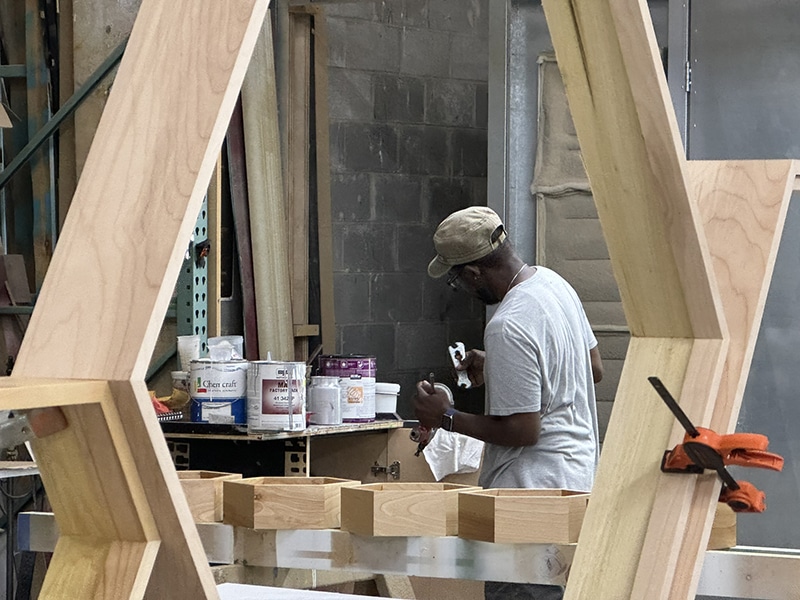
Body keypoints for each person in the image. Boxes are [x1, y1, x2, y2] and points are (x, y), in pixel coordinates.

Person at [413, 206, 603, 600]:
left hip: (529, 503)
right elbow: (593, 367)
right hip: (577, 485)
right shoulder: (554, 285)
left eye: (456, 279)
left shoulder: (508, 324)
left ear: (474, 272)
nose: (461, 288)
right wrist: (499, 365)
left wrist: (445, 416)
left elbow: (523, 431)